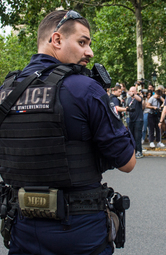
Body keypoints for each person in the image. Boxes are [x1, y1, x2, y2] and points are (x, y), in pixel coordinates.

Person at [0, 10, 136, 255]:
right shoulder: (85, 88)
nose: (90, 52)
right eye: (82, 42)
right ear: (57, 40)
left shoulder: (6, 91)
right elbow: (127, 162)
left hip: (22, 227)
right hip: (80, 230)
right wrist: (111, 114)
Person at [127, 86, 144, 158]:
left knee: (137, 136)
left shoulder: (138, 98)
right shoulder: (128, 99)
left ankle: (139, 151)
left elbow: (140, 99)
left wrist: (134, 95)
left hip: (138, 120)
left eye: (133, 91)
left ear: (136, 92)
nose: (131, 93)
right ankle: (134, 151)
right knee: (132, 136)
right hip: (131, 119)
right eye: (130, 91)